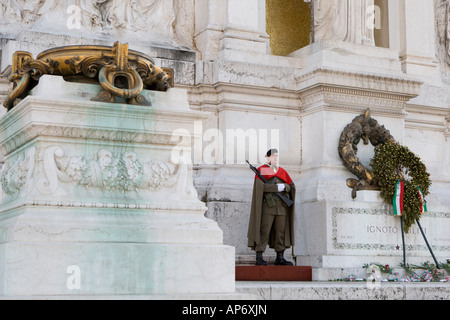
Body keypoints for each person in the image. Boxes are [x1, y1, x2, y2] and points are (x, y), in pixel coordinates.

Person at [247, 149, 296, 266]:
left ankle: (280, 257)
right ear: (267, 158)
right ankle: (259, 256)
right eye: (273, 156)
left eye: (276, 156)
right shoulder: (262, 170)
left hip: (282, 208)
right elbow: (260, 188)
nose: (275, 158)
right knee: (264, 231)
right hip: (268, 207)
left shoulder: (282, 171)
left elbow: (291, 187)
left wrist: (284, 187)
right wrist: (275, 188)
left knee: (281, 232)